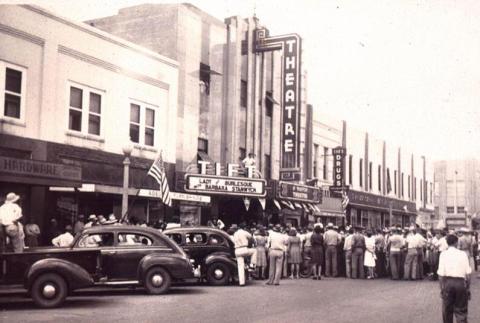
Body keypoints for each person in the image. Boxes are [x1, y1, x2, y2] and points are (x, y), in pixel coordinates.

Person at [437, 234, 472, 323]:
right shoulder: (463, 254)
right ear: (456, 242)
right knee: (461, 310)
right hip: (460, 283)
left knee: (447, 310)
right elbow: (468, 274)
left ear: (447, 243)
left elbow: (440, 275)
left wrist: (441, 288)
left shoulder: (443, 254)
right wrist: (467, 288)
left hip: (448, 283)